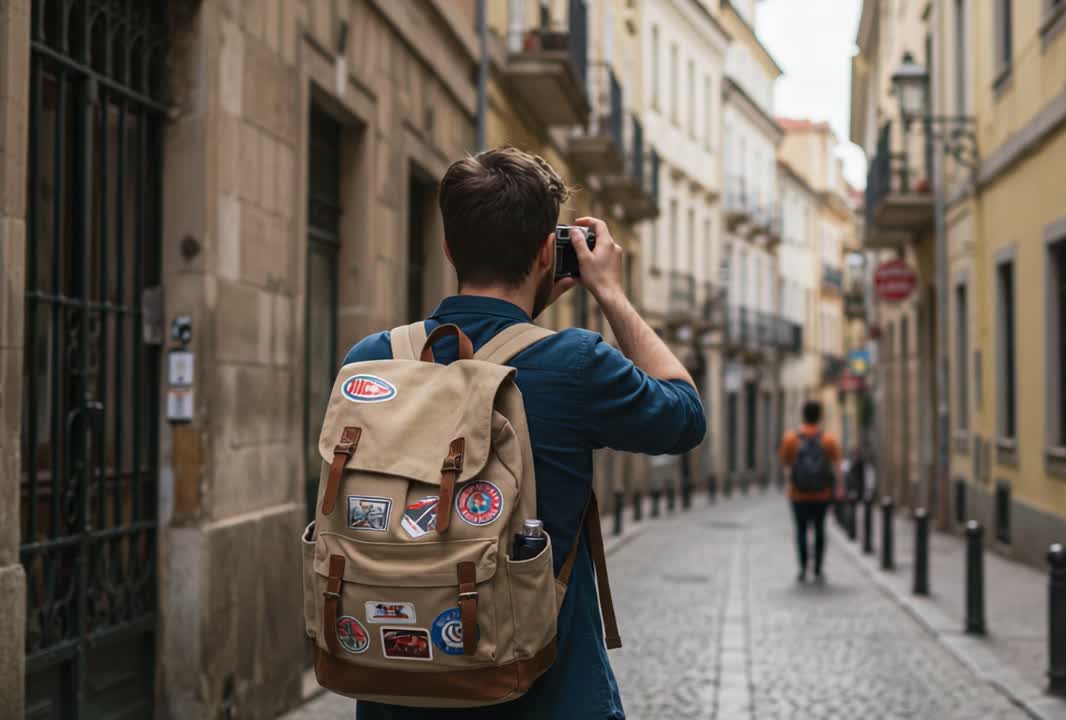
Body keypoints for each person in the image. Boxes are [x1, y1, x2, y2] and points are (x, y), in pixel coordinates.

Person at [345, 147, 706, 719]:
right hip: (546, 696)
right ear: (548, 252)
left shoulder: (371, 361)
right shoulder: (577, 364)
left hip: (398, 692)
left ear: (448, 247)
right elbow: (685, 415)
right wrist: (609, 291)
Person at [777, 401, 840, 583]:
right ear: (819, 417)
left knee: (801, 531)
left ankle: (803, 569)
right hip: (822, 494)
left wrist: (790, 485)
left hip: (798, 495)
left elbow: (786, 466)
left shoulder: (791, 439)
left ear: (803, 415)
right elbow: (835, 467)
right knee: (820, 529)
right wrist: (838, 490)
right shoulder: (828, 440)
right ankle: (818, 569)